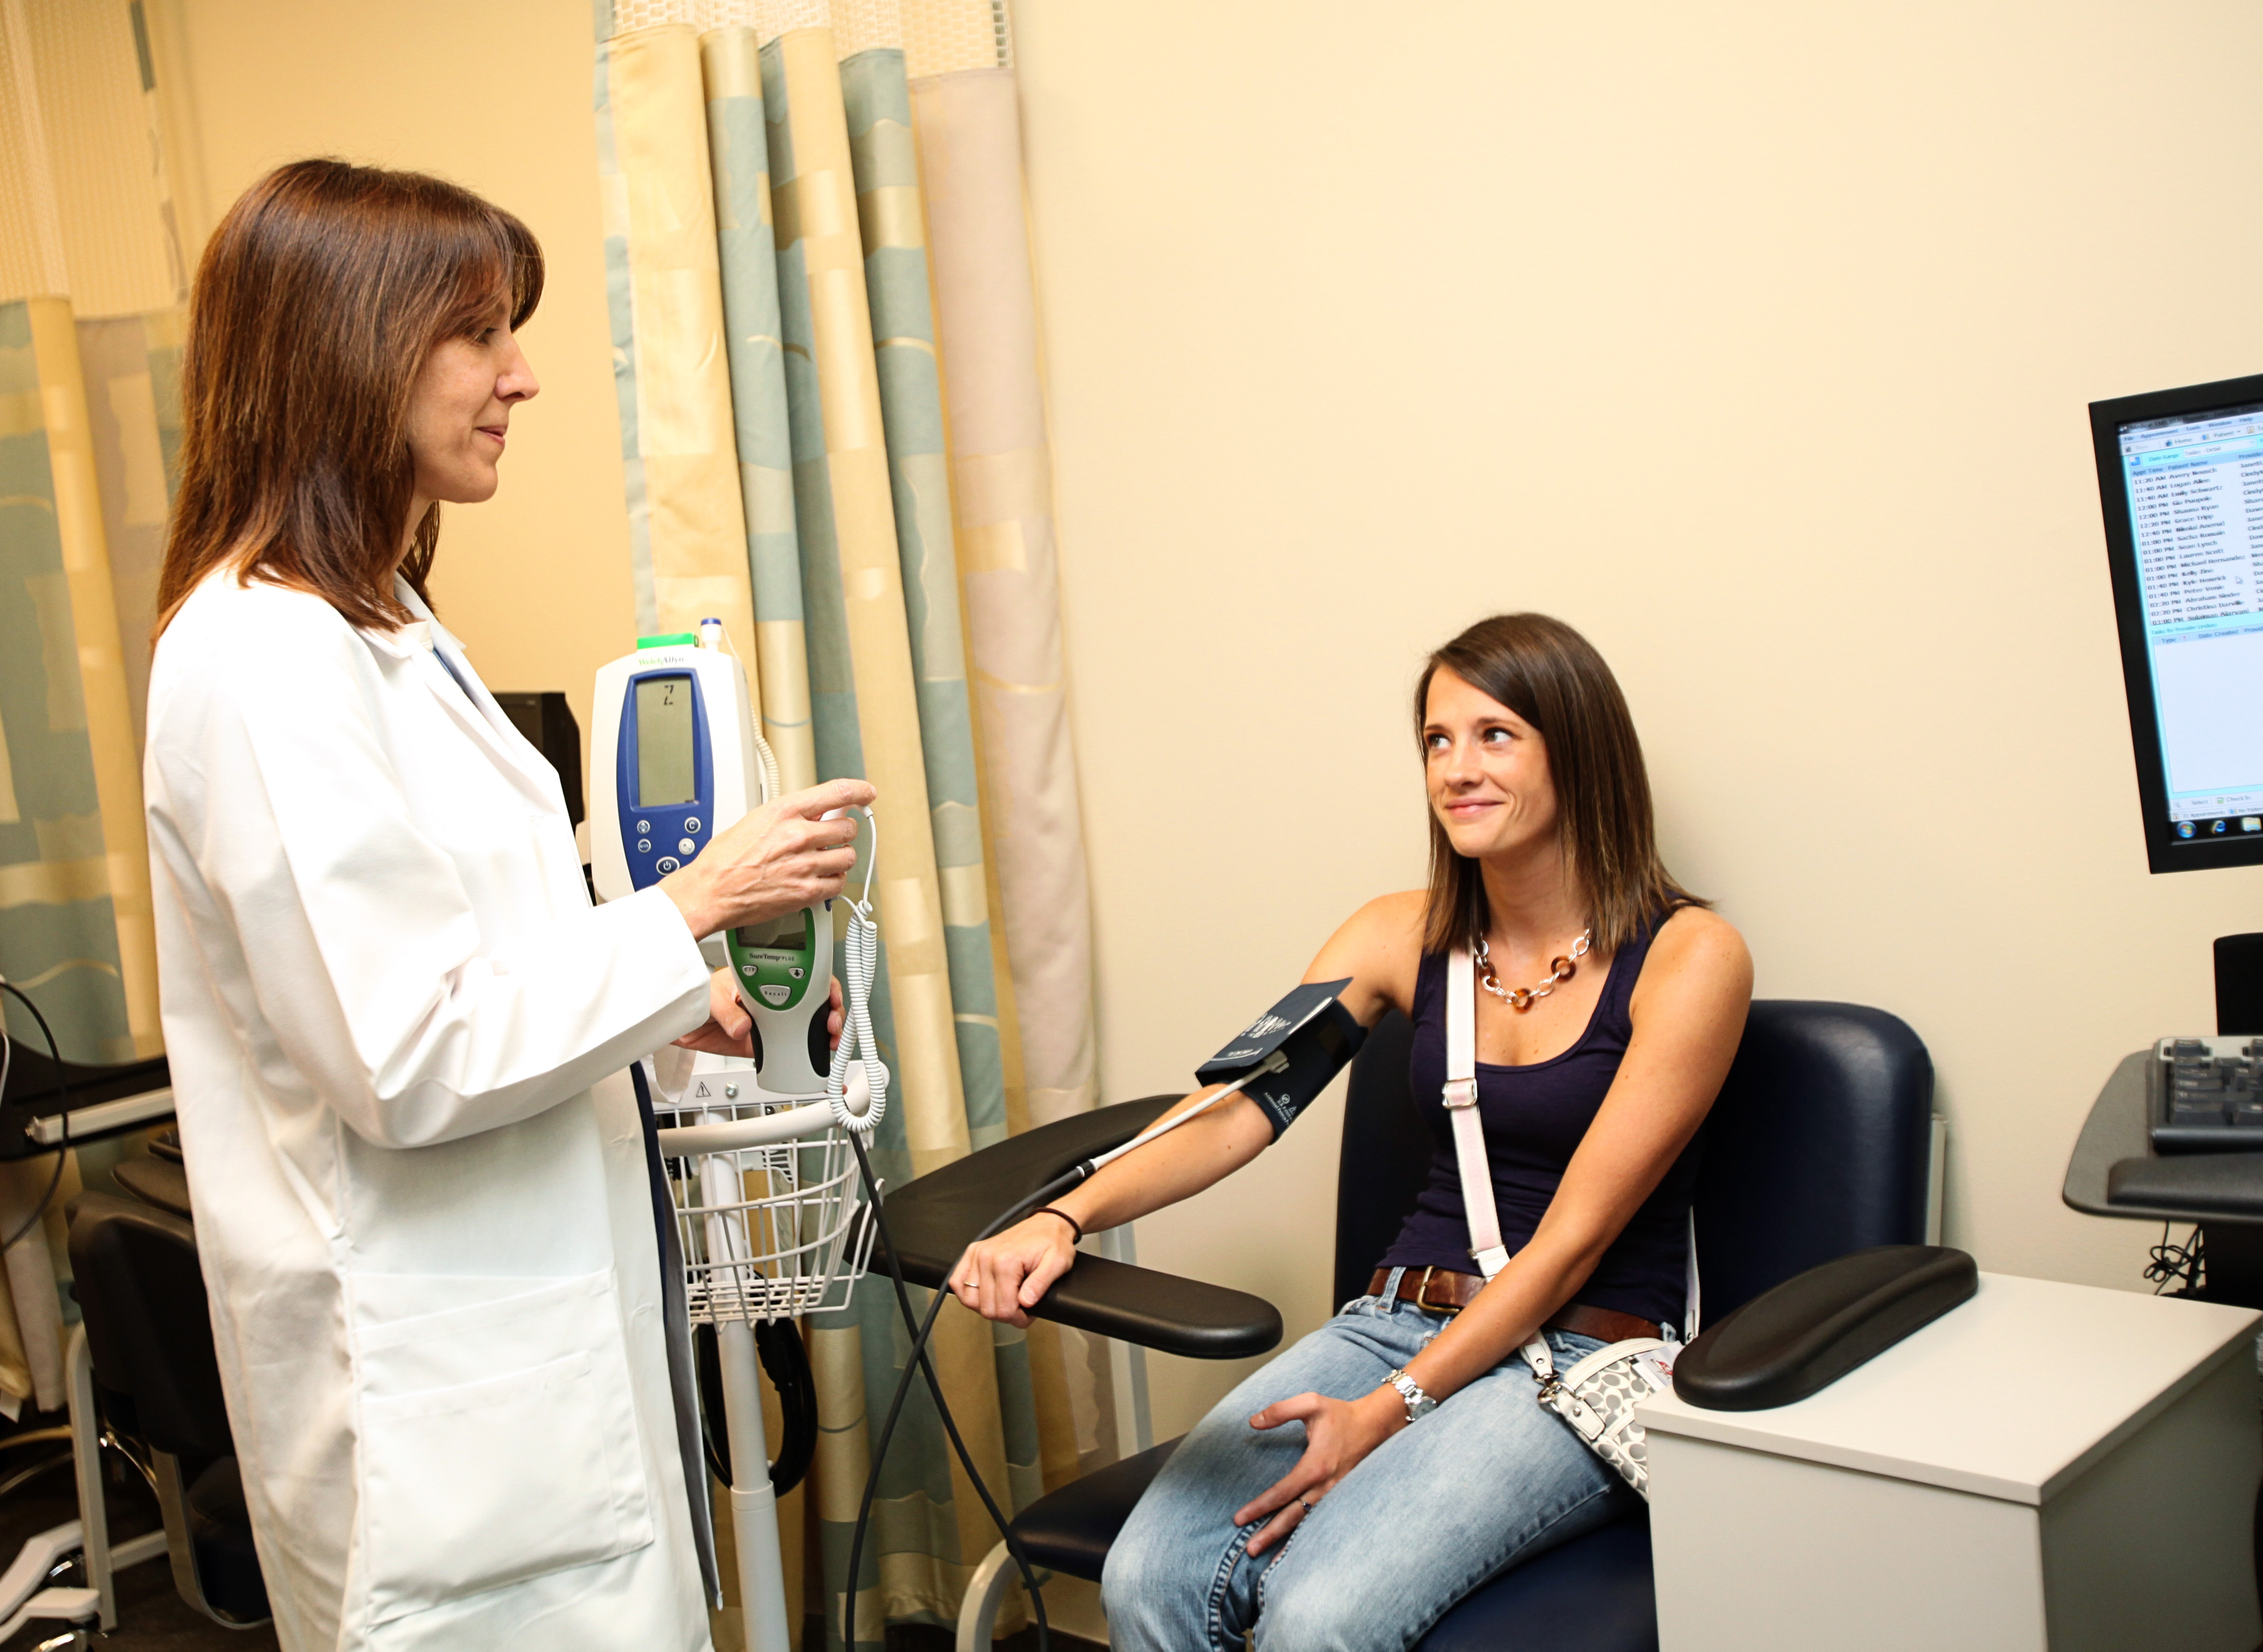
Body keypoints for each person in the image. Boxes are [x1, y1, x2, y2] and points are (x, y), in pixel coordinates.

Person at [141, 160, 872, 1650]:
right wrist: (693, 907)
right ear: (349, 347)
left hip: (538, 1364)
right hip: (437, 1420)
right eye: (477, 334)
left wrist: (687, 1019)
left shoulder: (385, 625)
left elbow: (489, 966)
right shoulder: (262, 659)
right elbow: (404, 1054)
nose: (520, 377)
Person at [952, 613, 1752, 1651]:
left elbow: (1572, 1244)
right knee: (1150, 1574)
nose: (1456, 769)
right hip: (1388, 1320)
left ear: (1580, 751)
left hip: (1568, 1354)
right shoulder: (1394, 935)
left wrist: (1385, 1411)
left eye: (1494, 735)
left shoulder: (1690, 957)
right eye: (1435, 740)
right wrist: (1062, 1216)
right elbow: (1238, 1108)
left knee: (1318, 1618)